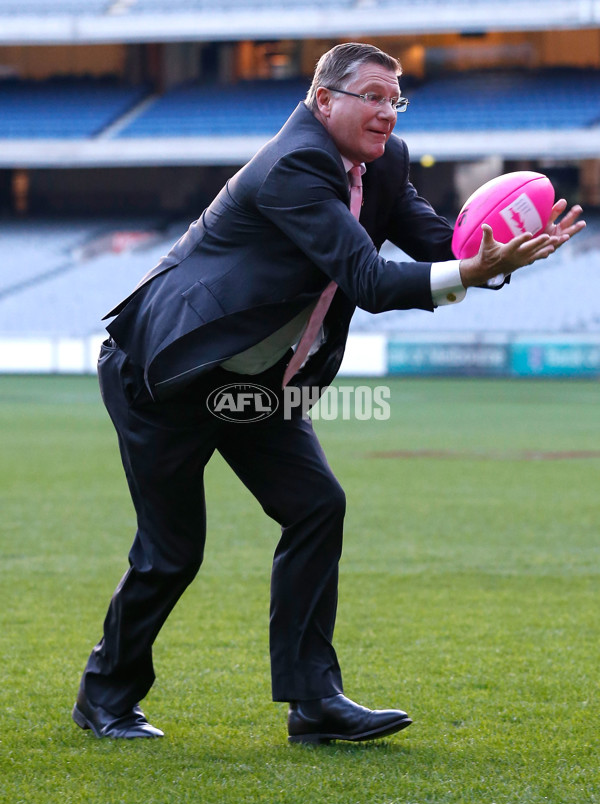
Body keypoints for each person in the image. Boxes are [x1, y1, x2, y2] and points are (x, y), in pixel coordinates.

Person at [72, 42, 585, 743]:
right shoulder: (293, 165)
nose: (387, 112)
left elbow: (440, 243)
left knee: (317, 506)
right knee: (173, 551)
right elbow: (369, 280)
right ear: (324, 101)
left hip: (258, 383)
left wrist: (505, 251)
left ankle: (314, 702)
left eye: (395, 98)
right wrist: (469, 269)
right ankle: (105, 696)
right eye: (372, 95)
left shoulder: (386, 163)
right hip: (169, 375)